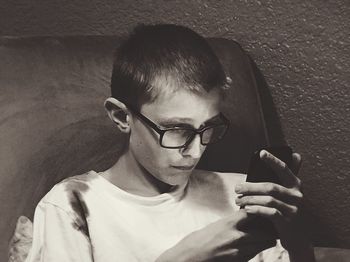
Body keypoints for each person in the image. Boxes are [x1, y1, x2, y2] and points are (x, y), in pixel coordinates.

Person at [24, 24, 315, 262]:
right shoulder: (71, 206)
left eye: (208, 128)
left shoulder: (244, 195)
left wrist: (296, 240)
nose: (195, 150)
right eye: (177, 129)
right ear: (121, 116)